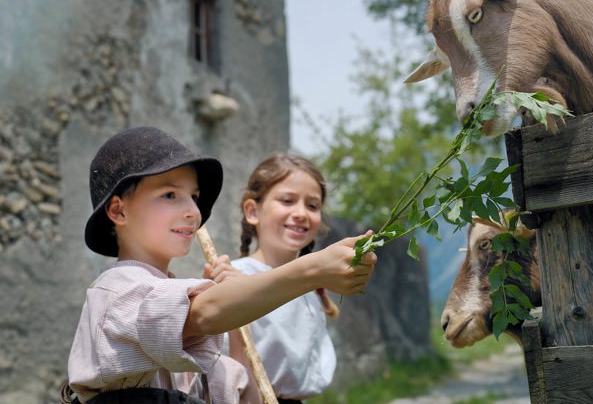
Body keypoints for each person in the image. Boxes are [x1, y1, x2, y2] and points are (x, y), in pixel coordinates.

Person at [63, 127, 377, 404]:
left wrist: (239, 331)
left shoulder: (185, 318)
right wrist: (312, 270)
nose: (193, 211)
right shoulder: (116, 290)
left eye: (194, 197)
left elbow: (244, 395)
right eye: (170, 194)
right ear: (118, 211)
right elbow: (203, 313)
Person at [209, 154, 339, 404]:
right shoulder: (235, 278)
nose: (301, 213)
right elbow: (229, 371)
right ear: (252, 210)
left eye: (312, 205)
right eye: (287, 200)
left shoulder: (310, 288)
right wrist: (235, 298)